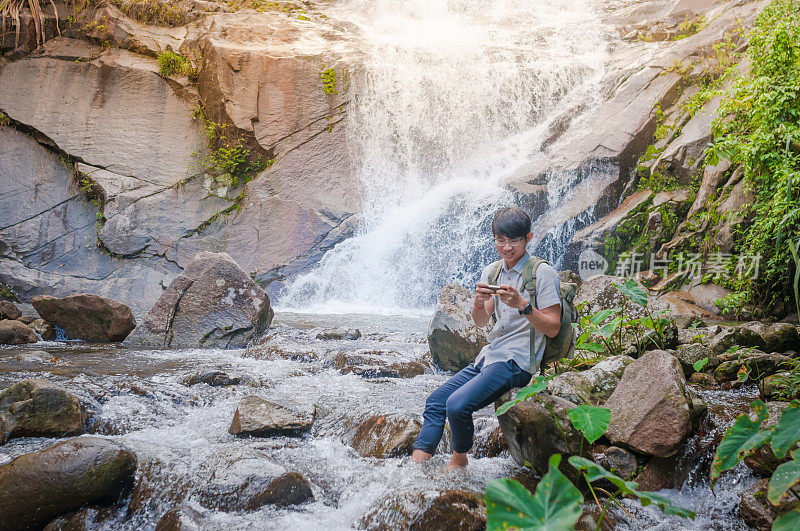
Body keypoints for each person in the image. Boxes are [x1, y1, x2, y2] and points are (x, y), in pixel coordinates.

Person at [410, 206, 562, 470]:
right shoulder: (492, 272)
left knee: (457, 406)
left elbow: (553, 328)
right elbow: (480, 322)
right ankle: (414, 469)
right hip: (490, 356)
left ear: (529, 238)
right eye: (501, 240)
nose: (507, 247)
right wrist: (479, 303)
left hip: (518, 361)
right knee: (436, 401)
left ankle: (460, 460)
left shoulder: (542, 273)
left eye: (514, 240)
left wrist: (522, 305)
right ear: (494, 239)